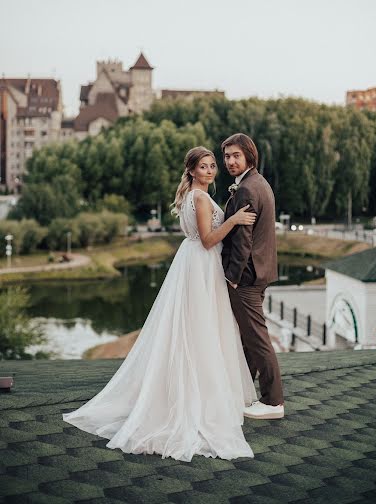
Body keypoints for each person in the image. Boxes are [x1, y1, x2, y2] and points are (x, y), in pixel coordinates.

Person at [63, 146, 257, 462]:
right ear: (192, 171)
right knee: (200, 331)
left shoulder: (192, 196)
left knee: (193, 330)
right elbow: (209, 240)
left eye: (212, 166)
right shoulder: (198, 197)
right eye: (204, 166)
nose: (210, 170)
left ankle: (193, 392)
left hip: (193, 262)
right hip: (201, 264)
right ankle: (197, 401)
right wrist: (234, 219)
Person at [221, 133, 285, 419]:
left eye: (236, 155)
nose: (230, 161)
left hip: (246, 277)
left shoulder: (247, 189)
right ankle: (246, 393)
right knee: (250, 338)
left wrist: (233, 277)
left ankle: (273, 402)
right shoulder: (259, 183)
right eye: (226, 156)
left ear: (249, 155)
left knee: (257, 339)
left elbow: (243, 240)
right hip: (260, 272)